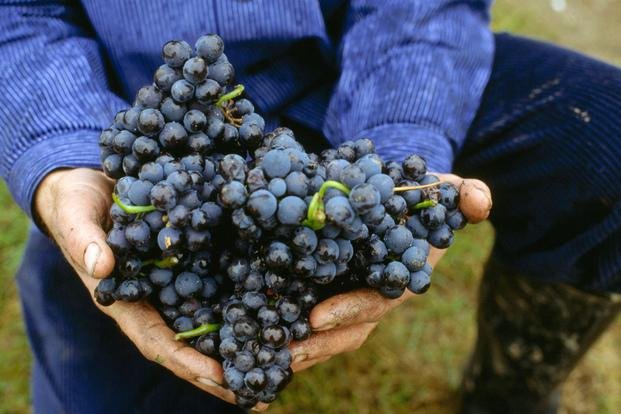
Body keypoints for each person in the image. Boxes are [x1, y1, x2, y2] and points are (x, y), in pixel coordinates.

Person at [0, 1, 619, 413]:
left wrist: (398, 143)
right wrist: (60, 151)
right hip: (144, 124)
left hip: (352, 75)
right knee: (108, 288)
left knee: (604, 139)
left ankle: (512, 390)